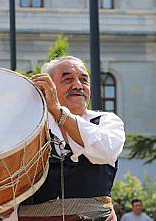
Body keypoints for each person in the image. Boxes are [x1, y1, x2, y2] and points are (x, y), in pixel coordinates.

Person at [17, 56, 125, 221]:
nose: (78, 85)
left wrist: (59, 112)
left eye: (84, 80)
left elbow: (105, 151)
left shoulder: (106, 121)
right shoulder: (30, 127)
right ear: (48, 88)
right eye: (67, 79)